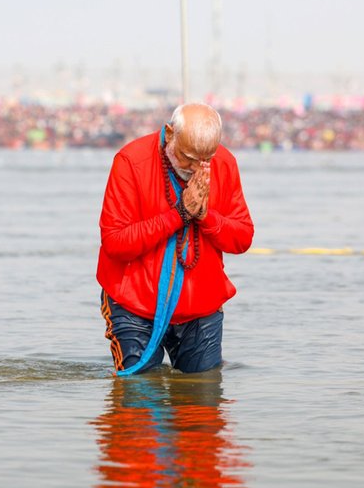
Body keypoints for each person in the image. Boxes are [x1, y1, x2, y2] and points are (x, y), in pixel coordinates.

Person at [97, 102, 253, 374]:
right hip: (135, 305)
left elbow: (242, 239)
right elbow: (116, 243)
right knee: (138, 404)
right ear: (169, 133)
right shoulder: (131, 161)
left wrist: (205, 216)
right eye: (188, 157)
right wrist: (179, 214)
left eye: (205, 159)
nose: (196, 168)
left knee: (202, 408)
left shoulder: (225, 163)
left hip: (200, 309)